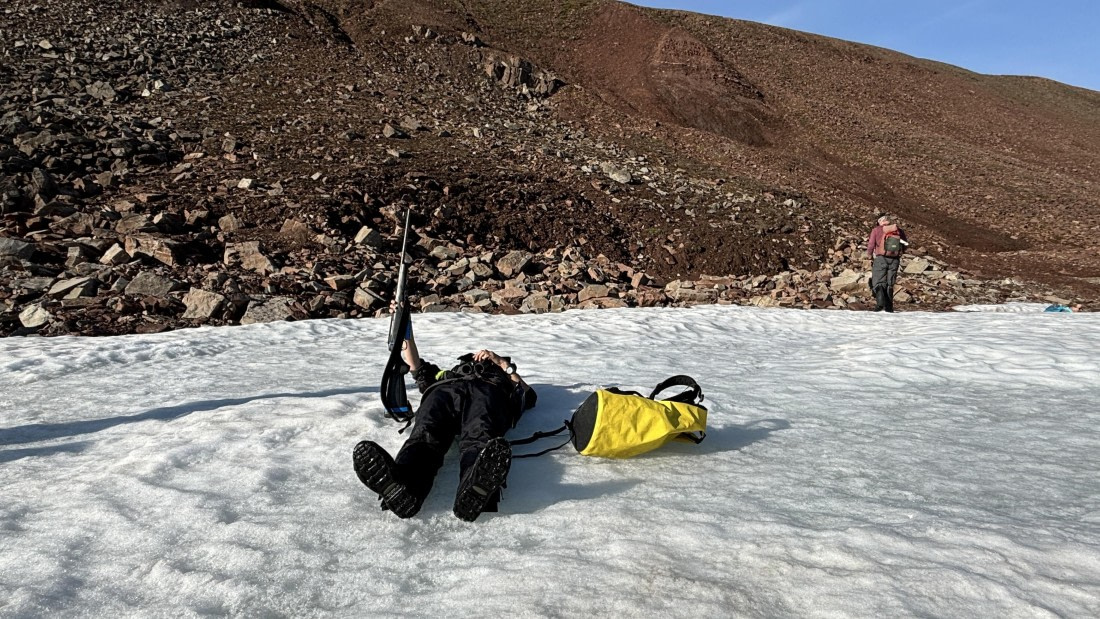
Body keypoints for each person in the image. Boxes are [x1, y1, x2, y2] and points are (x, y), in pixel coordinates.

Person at [353, 329, 537, 522]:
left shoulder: (502, 376)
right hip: (445, 391)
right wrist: (405, 332)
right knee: (426, 432)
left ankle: (476, 488)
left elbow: (528, 395)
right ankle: (404, 485)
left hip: (486, 392)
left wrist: (501, 363)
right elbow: (417, 368)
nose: (479, 359)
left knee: (480, 434)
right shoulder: (446, 374)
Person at [866, 214, 909, 312]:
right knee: (890, 283)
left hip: (881, 258)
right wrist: (901, 252)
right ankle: (889, 307)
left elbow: (871, 244)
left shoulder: (876, 230)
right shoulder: (898, 230)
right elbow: (905, 244)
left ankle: (880, 304)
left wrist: (869, 254)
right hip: (894, 259)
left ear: (880, 221)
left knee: (878, 281)